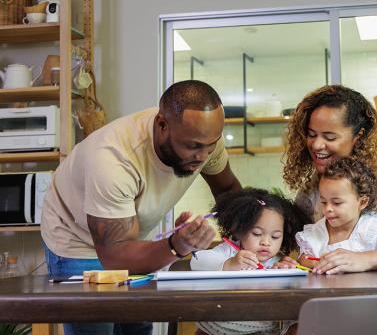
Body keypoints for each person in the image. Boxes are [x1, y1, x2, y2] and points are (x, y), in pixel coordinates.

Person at [41, 80, 242, 335]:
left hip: (129, 235)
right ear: (162, 125)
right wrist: (177, 245)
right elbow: (115, 257)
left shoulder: (203, 138)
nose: (202, 155)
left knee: (136, 324)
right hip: (77, 239)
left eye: (210, 144)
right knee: (96, 328)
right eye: (192, 146)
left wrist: (251, 233)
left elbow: (227, 192)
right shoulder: (113, 159)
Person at [282, 85, 377, 274]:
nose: (317, 144)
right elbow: (299, 251)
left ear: (358, 137)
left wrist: (366, 259)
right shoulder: (311, 188)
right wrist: (291, 262)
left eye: (330, 137)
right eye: (311, 135)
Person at [190, 188, 308, 335]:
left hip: (262, 329)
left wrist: (289, 274)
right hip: (217, 328)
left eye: (275, 236)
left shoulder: (279, 261)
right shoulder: (230, 251)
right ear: (239, 230)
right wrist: (229, 264)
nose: (266, 242)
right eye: (257, 233)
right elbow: (197, 261)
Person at [296, 157, 377, 269]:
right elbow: (304, 259)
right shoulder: (315, 233)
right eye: (323, 202)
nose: (328, 208)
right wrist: (317, 263)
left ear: (362, 202)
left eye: (336, 203)